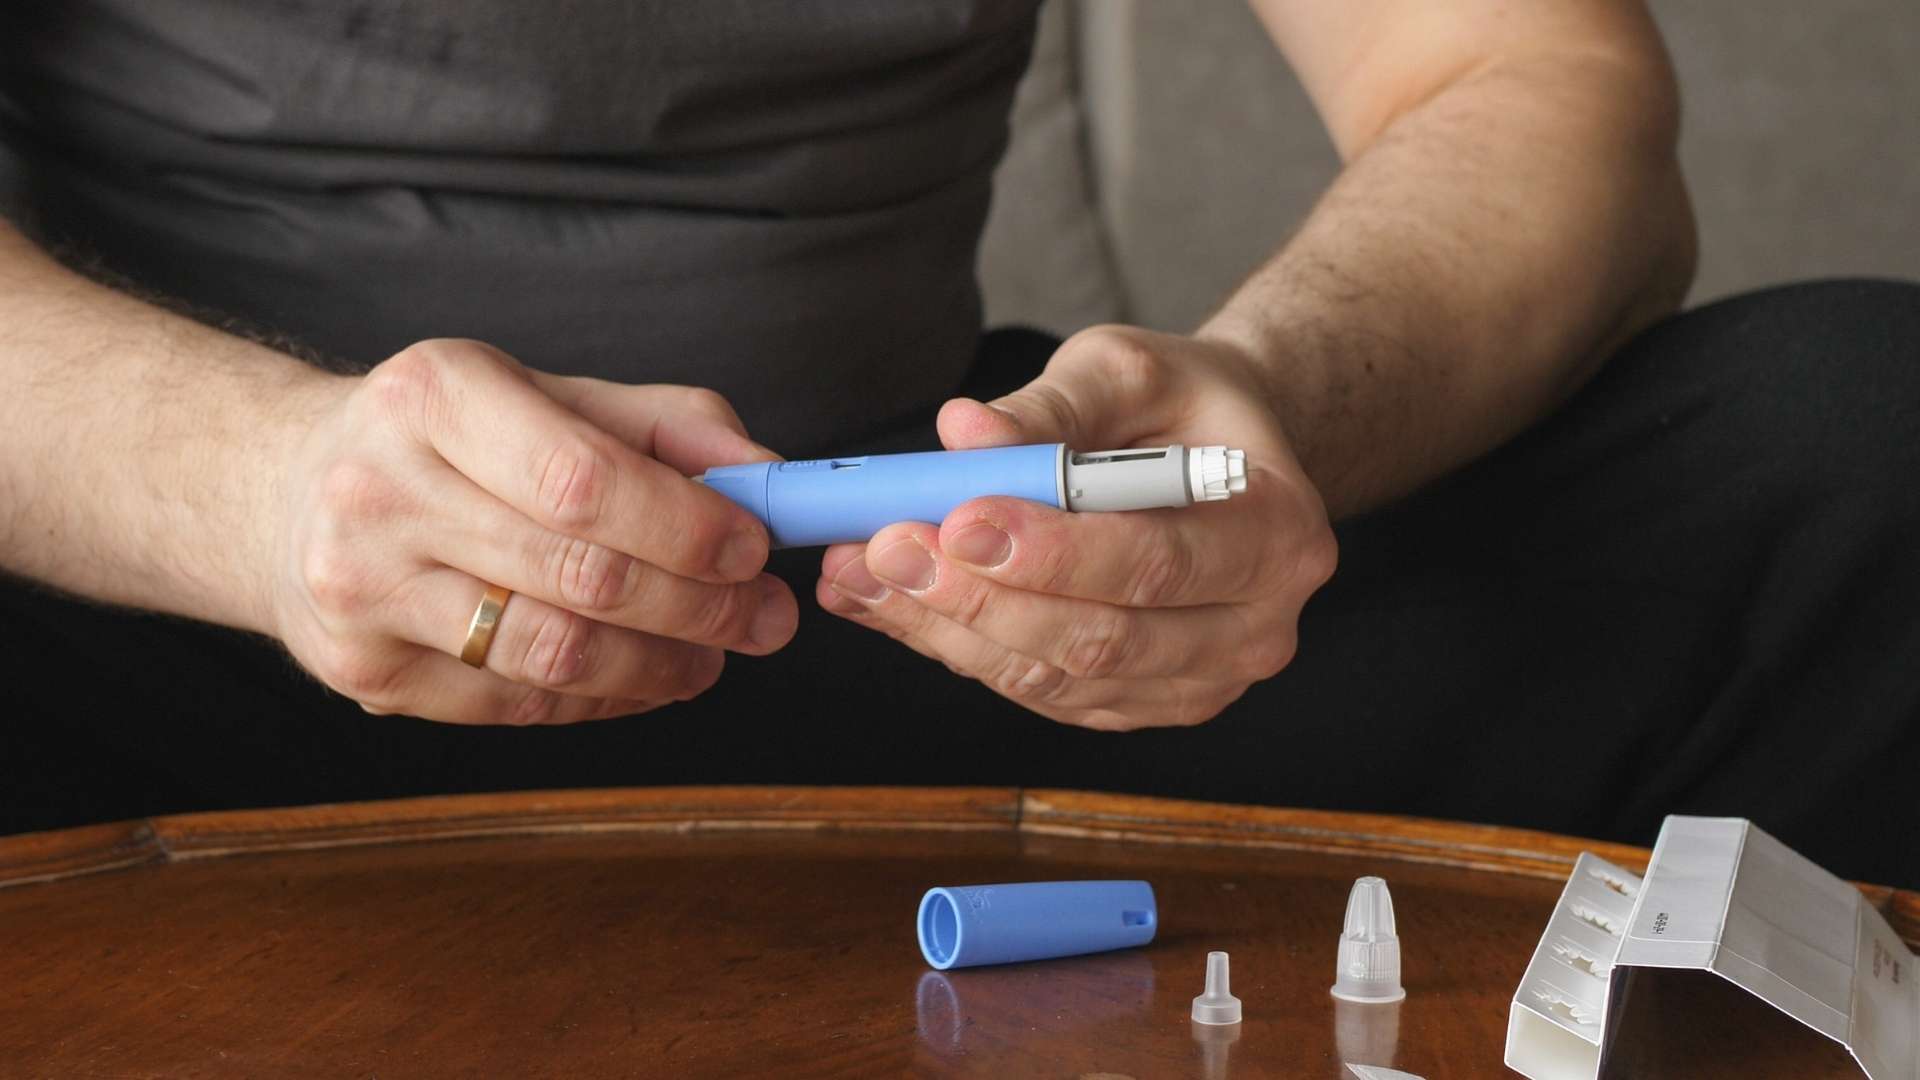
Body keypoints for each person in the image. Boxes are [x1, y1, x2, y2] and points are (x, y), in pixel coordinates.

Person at [3, 2, 1915, 884]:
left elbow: (1531, 74)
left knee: (1863, 442)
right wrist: (259, 486)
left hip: (952, 612)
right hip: (179, 624)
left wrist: (1279, 399)